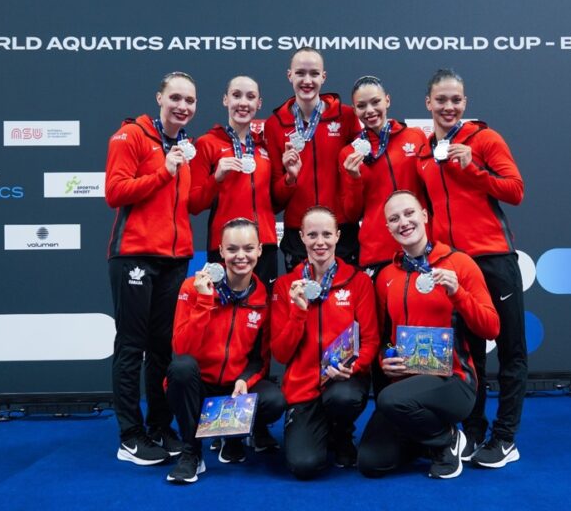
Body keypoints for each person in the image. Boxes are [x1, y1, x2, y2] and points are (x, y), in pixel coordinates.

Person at [417, 68, 527, 468]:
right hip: (455, 265)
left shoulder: (484, 139)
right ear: (428, 103)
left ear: (465, 103)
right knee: (470, 355)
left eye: (456, 100)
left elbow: (515, 191)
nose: (449, 106)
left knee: (512, 350)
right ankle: (475, 429)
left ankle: (505, 437)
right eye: (441, 100)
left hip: (495, 260)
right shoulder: (425, 154)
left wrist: (475, 171)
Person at [357, 191, 499, 479]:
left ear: (424, 216)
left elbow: (491, 327)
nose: (403, 222)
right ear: (387, 228)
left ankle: (448, 440)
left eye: (409, 213)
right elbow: (385, 336)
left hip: (453, 383)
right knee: (372, 462)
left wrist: (457, 293)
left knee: (388, 399)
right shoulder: (386, 276)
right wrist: (387, 356)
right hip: (405, 386)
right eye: (394, 219)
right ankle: (426, 442)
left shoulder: (460, 264)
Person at [105, 71, 200, 466]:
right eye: (175, 97)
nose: (182, 106)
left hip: (174, 259)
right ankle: (130, 436)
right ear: (159, 97)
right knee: (131, 346)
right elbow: (115, 192)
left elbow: (187, 204)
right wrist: (164, 170)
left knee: (163, 348)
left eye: (190, 101)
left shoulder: (184, 147)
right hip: (135, 256)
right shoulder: (130, 136)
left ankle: (160, 426)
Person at [165, 218, 286, 484]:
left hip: (233, 387)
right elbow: (181, 350)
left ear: (259, 251)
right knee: (181, 369)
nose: (240, 256)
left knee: (274, 400)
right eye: (232, 249)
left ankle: (233, 436)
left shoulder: (262, 298)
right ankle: (191, 452)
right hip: (199, 388)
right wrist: (204, 301)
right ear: (220, 251)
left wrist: (244, 380)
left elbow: (259, 360)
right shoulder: (193, 287)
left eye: (248, 248)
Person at [270, 206, 379, 479]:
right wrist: (298, 311)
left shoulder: (358, 281)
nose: (320, 242)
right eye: (313, 235)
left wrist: (355, 368)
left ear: (338, 236)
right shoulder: (285, 285)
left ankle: (342, 434)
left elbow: (370, 339)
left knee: (344, 397)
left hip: (343, 381)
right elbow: (281, 354)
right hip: (303, 386)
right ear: (302, 237)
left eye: (327, 234)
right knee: (304, 466)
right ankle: (317, 429)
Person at [265, 47, 360, 272]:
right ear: (290, 75)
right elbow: (275, 201)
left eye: (314, 74)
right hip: (298, 232)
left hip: (341, 231)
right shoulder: (275, 124)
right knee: (300, 303)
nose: (307, 80)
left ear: (323, 77)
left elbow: (359, 176)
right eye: (300, 73)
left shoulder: (346, 117)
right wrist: (290, 178)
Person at [190, 76, 278, 289]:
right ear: (225, 100)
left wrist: (291, 178)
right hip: (225, 247)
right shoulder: (207, 144)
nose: (243, 103)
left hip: (264, 245)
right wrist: (216, 178)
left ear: (259, 103)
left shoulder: (266, 147)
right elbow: (193, 204)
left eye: (250, 97)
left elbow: (277, 200)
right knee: (222, 314)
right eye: (236, 95)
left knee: (262, 314)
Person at [339, 75, 428, 279]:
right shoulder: (349, 153)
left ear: (387, 100)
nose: (369, 110)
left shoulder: (415, 137)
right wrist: (354, 179)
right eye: (361, 105)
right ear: (354, 110)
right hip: (377, 252)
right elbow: (352, 214)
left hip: (420, 246)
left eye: (375, 102)